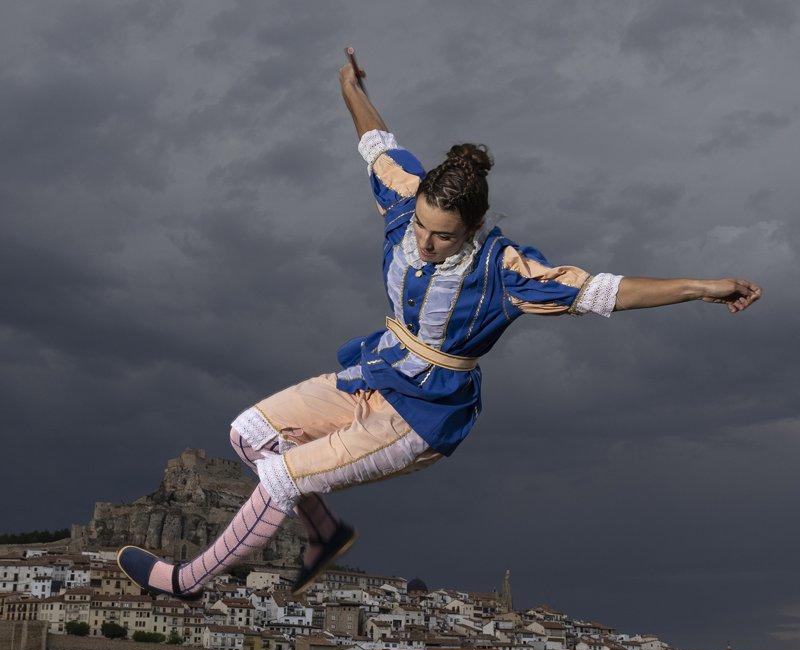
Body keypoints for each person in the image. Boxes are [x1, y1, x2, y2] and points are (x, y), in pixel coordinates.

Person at [117, 55, 762, 602]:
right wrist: (349, 87)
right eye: (422, 225)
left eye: (443, 234)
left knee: (282, 477)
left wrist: (703, 287)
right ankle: (324, 535)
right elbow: (375, 141)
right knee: (249, 433)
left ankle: (186, 581)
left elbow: (604, 291)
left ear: (474, 227)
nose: (424, 242)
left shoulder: (506, 272)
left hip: (420, 416)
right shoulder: (405, 202)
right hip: (377, 368)